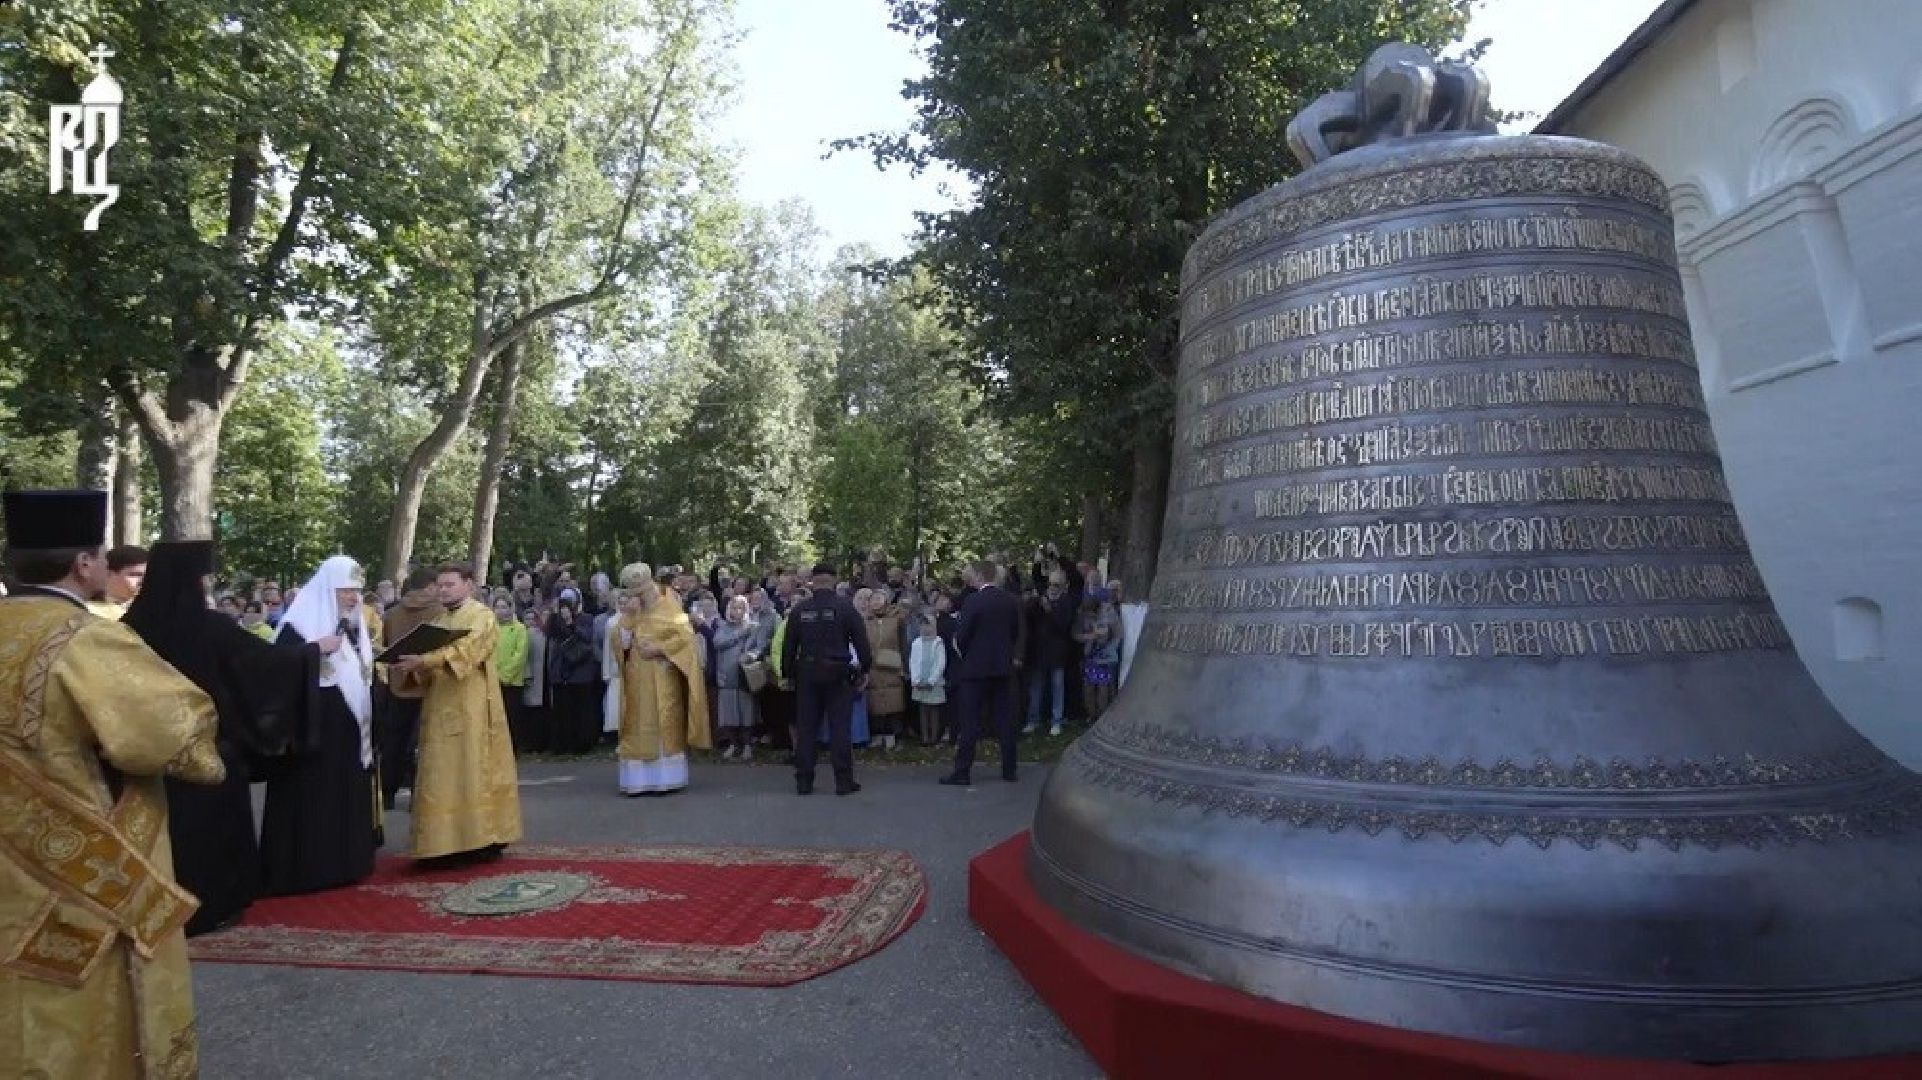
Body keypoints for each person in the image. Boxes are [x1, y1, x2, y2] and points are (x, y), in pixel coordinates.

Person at [0, 489, 225, 1078]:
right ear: (84, 563)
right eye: (100, 556)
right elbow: (169, 737)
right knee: (85, 1019)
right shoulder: (84, 637)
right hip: (75, 885)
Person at [122, 540, 324, 935]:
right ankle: (216, 905)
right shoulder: (209, 626)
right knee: (211, 834)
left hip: (152, 752)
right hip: (209, 750)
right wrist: (311, 653)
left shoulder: (129, 627)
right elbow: (263, 665)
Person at [260, 556, 382, 894]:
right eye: (346, 591)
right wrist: (314, 649)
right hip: (313, 727)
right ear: (329, 589)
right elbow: (275, 668)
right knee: (313, 798)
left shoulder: (356, 628)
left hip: (349, 730)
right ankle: (313, 867)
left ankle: (348, 861)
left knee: (344, 792)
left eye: (358, 591)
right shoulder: (297, 626)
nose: (353, 598)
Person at [389, 564, 523, 864]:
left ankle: (480, 839)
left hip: (472, 708)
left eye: (450, 584)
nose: (443, 590)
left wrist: (425, 660)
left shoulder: (482, 616)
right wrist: (411, 665)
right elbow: (427, 662)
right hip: (438, 709)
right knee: (440, 775)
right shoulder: (438, 619)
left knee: (472, 770)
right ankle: (441, 843)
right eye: (439, 585)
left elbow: (468, 651)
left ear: (469, 585)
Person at [610, 563, 711, 795]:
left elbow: (686, 640)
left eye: (640, 593)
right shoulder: (632, 613)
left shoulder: (670, 607)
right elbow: (619, 642)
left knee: (664, 721)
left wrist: (660, 649)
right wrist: (629, 619)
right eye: (633, 594)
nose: (638, 598)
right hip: (636, 680)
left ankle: (667, 778)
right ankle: (637, 781)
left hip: (664, 678)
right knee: (636, 724)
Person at [780, 562, 872, 796]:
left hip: (808, 674)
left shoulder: (800, 610)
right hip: (838, 673)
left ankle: (804, 781)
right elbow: (862, 645)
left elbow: (789, 647)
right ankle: (843, 781)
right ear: (833, 579)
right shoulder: (845, 608)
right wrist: (864, 670)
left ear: (812, 581)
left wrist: (788, 674)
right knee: (840, 728)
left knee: (807, 728)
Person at [942, 560, 1024, 786]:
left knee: (970, 721)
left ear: (979, 576)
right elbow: (1015, 632)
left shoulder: (974, 601)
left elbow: (961, 636)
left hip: (975, 669)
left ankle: (962, 771)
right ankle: (1009, 769)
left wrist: (967, 655)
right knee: (1004, 720)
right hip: (1002, 667)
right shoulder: (1010, 601)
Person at [376, 567, 442, 809]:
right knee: (425, 743)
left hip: (398, 683)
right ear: (430, 586)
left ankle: (387, 794)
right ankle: (420, 797)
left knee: (393, 742)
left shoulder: (392, 614)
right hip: (428, 683)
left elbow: (383, 645)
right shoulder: (440, 612)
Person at [710, 594, 759, 760]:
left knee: (746, 712)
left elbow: (757, 647)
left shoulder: (752, 626)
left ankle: (747, 746)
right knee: (728, 713)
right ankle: (733, 744)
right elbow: (718, 643)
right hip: (726, 676)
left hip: (745, 677)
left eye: (740, 608)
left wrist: (750, 655)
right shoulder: (723, 627)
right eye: (733, 607)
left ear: (745, 610)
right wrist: (738, 635)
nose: (736, 611)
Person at [494, 597, 533, 750]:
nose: (501, 611)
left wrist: (505, 676)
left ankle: (513, 750)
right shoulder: (491, 629)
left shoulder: (519, 629)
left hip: (513, 682)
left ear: (511, 609)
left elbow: (520, 655)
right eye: (498, 607)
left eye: (504, 607)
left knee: (513, 717)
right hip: (493, 681)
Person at [909, 612, 948, 745]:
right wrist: (915, 679)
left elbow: (940, 663)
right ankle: (924, 737)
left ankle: (934, 736)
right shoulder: (916, 643)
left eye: (929, 625)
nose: (926, 628)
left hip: (934, 682)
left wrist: (932, 680)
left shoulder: (938, 642)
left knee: (934, 709)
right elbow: (913, 661)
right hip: (919, 681)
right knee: (923, 709)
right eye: (923, 625)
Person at [86, 542, 148, 619]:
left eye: (147, 576)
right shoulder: (90, 611)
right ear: (108, 574)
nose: (142, 581)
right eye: (135, 575)